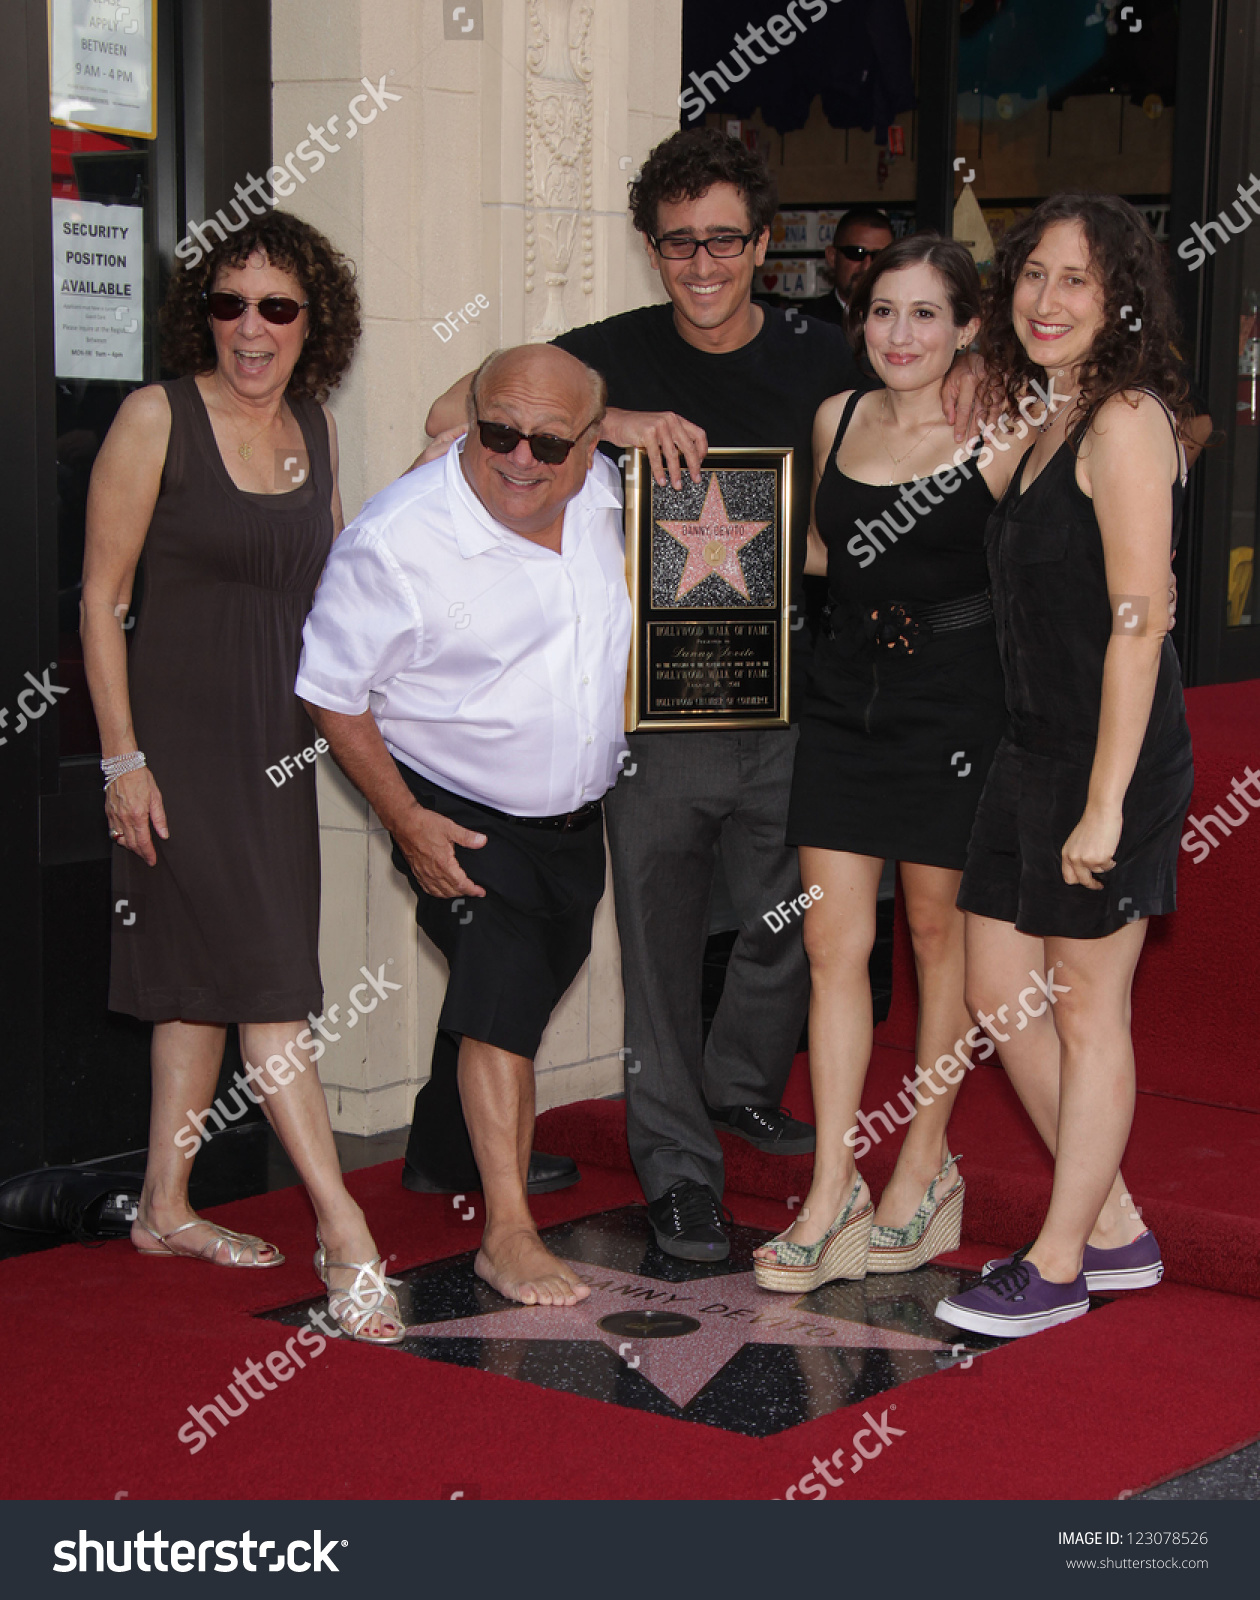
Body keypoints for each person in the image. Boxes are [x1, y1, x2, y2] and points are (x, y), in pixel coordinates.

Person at [424, 129, 984, 1263]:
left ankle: (738, 1079)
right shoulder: (607, 356)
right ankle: (678, 1165)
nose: (702, 262)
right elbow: (451, 415)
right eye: (678, 242)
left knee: (802, 928)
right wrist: (609, 423)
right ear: (650, 249)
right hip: (659, 711)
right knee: (661, 943)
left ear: (765, 244)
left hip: (808, 696)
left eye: (724, 238)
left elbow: (943, 411)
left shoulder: (830, 352)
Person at [81, 211, 403, 1343]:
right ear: (200, 314)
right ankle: (344, 1229)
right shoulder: (153, 418)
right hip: (178, 747)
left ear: (314, 324)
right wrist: (123, 758)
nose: (250, 329)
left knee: (201, 982)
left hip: (276, 749)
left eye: (277, 308)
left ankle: (166, 1207)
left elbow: (333, 589)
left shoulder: (312, 424)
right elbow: (101, 600)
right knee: (270, 987)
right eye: (229, 304)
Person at [297, 344, 630, 1307]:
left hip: (575, 815)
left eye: (549, 441)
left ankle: (443, 1148)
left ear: (590, 443)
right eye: (498, 432)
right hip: (457, 811)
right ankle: (509, 1231)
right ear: (467, 422)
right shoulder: (397, 540)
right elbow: (330, 692)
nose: (521, 458)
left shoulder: (609, 490)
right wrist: (405, 822)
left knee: (528, 983)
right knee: (502, 1004)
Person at [935, 193, 1195, 1337]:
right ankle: (1119, 1224)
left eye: (1076, 280)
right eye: (1033, 274)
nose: (1046, 299)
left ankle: (1058, 1260)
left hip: (1112, 758)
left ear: (1122, 296)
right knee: (997, 990)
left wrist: (1106, 804)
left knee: (1091, 1010)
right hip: (1030, 743)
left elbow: (1140, 619)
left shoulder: (1126, 418)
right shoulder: (1046, 417)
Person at [752, 234, 1033, 1293]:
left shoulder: (1003, 427)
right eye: (881, 312)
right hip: (844, 701)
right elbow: (824, 555)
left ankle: (924, 1157)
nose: (898, 335)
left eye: (925, 314)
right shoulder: (837, 418)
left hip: (960, 707)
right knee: (835, 941)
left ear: (969, 325)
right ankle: (833, 1188)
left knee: (936, 934)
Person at [798, 206, 895, 326]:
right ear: (832, 257)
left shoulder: (908, 323)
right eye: (856, 253)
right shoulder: (804, 324)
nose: (867, 266)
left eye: (879, 255)